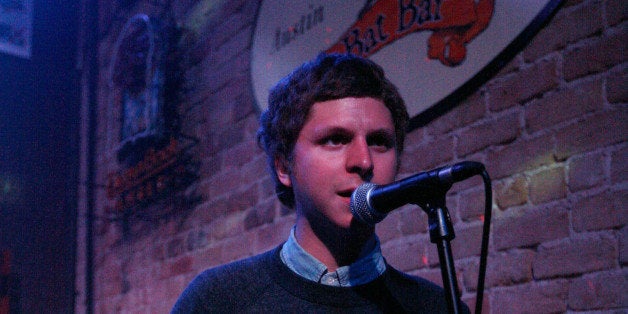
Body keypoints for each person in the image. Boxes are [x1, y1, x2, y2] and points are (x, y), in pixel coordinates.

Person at [172, 53, 465, 313]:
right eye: (335, 139)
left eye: (379, 142)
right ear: (284, 166)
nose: (364, 161)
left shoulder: (437, 306)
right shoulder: (217, 301)